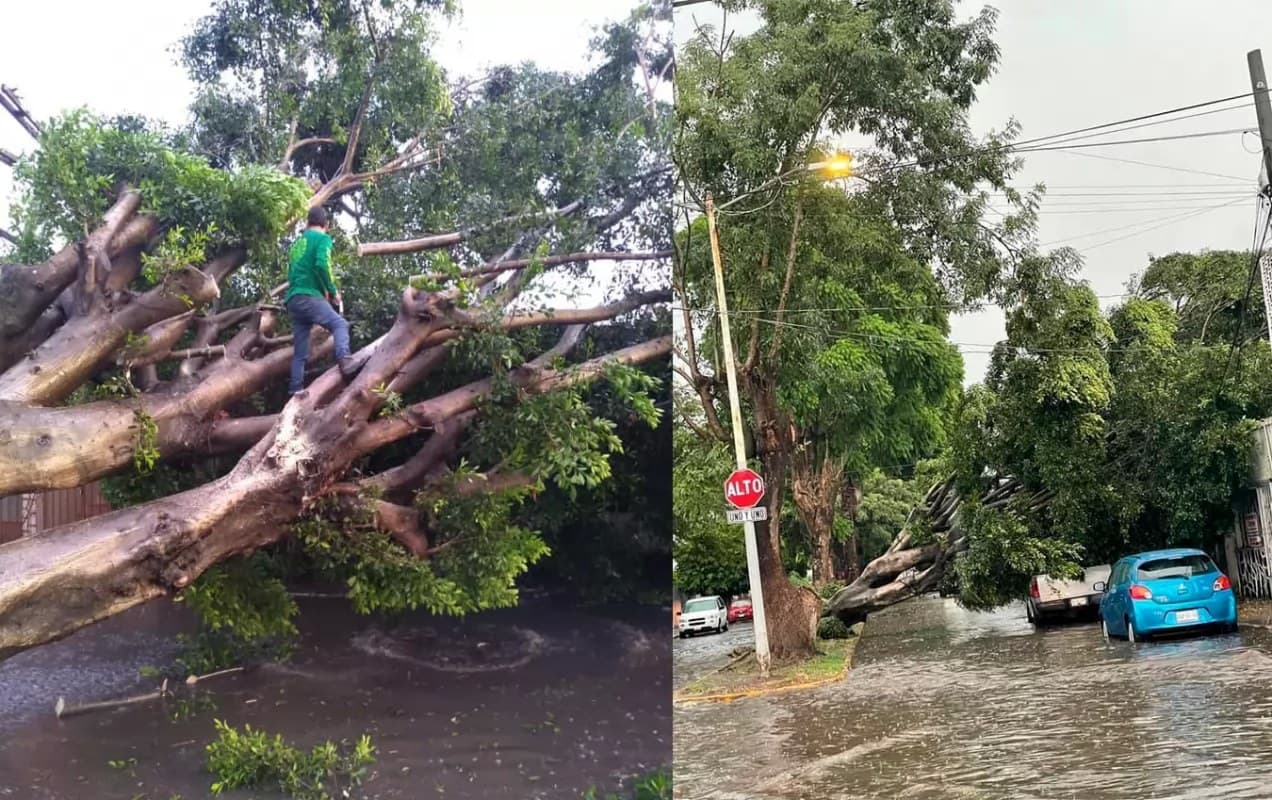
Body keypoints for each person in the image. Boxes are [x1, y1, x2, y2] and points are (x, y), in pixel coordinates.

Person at [284, 206, 362, 394]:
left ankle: (295, 390)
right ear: (325, 225)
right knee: (340, 324)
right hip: (308, 295)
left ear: (307, 223)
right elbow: (322, 264)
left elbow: (293, 272)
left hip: (294, 300)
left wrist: (321, 292)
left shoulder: (297, 244)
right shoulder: (323, 239)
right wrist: (332, 291)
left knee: (300, 352)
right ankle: (345, 362)